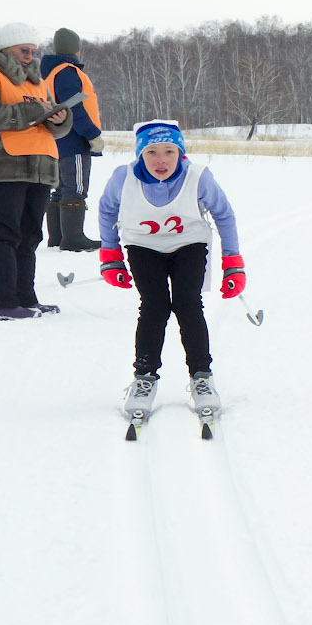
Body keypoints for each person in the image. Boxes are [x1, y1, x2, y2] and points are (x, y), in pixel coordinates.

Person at [97, 121, 242, 421]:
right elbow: (107, 210)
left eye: (169, 151)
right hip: (142, 246)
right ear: (140, 154)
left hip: (189, 244)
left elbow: (224, 214)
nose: (160, 159)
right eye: (151, 152)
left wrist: (233, 261)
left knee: (188, 304)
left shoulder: (198, 176)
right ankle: (144, 377)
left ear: (180, 152)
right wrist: (110, 256)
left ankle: (201, 376)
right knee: (154, 306)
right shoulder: (123, 178)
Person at [0, 22, 71, 320]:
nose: (29, 56)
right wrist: (35, 113)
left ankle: (25, 298)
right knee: (3, 235)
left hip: (39, 166)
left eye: (33, 51)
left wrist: (59, 118)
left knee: (30, 235)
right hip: (1, 165)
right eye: (24, 50)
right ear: (6, 48)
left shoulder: (35, 80)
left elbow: (47, 121)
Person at [41, 29, 103, 251]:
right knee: (75, 188)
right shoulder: (68, 71)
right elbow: (74, 107)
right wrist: (92, 134)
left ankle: (57, 238)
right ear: (76, 48)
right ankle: (73, 238)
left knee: (59, 188)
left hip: (55, 140)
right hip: (73, 140)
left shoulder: (49, 72)